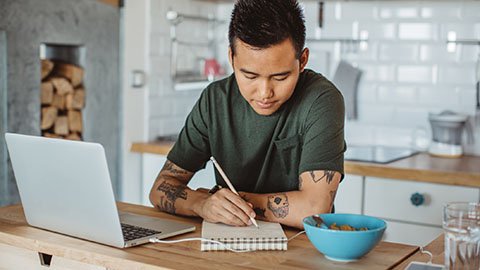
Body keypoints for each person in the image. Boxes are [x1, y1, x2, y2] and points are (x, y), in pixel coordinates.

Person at [149, 0, 345, 229]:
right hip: (227, 244)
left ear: (302, 61)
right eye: (250, 76)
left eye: (280, 77)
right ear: (232, 58)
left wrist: (229, 201)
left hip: (300, 249)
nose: (265, 93)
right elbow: (160, 189)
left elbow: (314, 209)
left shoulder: (322, 100)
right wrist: (202, 204)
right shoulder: (215, 100)